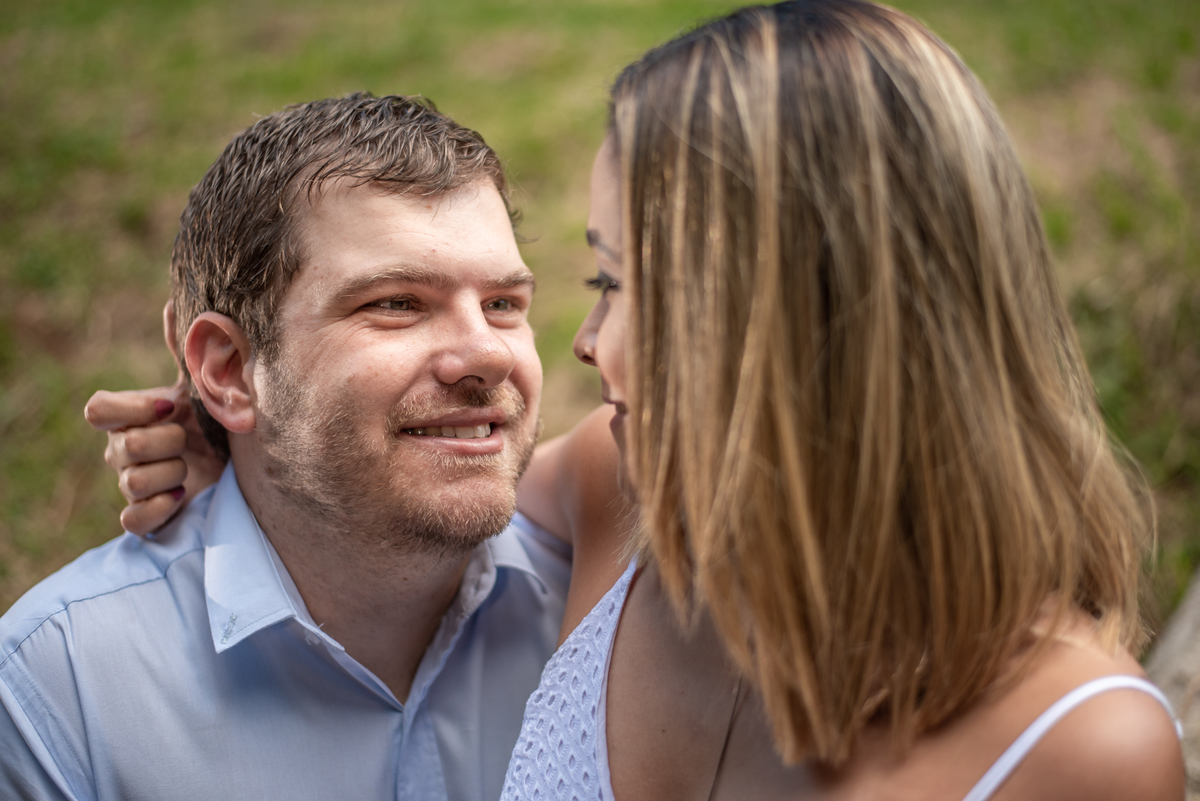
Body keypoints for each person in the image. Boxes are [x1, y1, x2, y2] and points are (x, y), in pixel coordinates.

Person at [83, 1, 1188, 799]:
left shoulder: (1078, 750)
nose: (584, 340)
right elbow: (407, 489)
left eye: (616, 282)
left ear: (791, 320)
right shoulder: (622, 493)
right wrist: (261, 441)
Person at [0, 92, 621, 801]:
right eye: (396, 303)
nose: (486, 352)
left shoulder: (603, 590)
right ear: (229, 370)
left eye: (504, 304)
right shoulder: (60, 690)